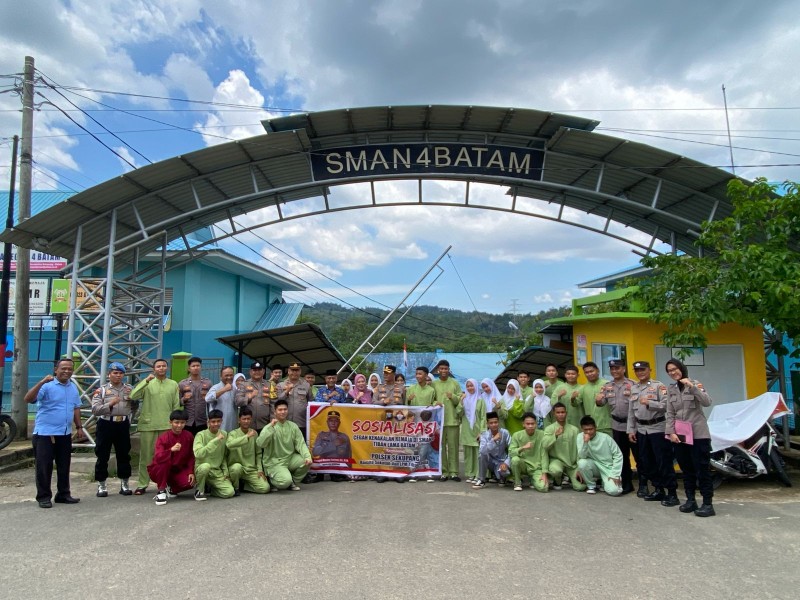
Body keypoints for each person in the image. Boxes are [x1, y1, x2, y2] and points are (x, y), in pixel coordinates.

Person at [25, 358, 83, 508]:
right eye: (63, 368)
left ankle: (63, 494)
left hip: (64, 433)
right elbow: (28, 398)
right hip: (45, 434)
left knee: (64, 465)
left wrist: (79, 426)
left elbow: (76, 407)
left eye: (70, 368)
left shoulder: (73, 388)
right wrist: (41, 382)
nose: (67, 371)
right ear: (56, 370)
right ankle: (43, 496)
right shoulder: (47, 386)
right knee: (44, 467)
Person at [665, 358, 715, 517]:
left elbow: (707, 402)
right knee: (686, 469)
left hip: (699, 434)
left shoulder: (695, 384)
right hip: (680, 435)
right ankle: (691, 500)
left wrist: (692, 387)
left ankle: (707, 504)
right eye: (670, 370)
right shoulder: (671, 389)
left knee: (702, 469)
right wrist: (670, 432)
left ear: (682, 368)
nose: (673, 372)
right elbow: (670, 413)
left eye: (675, 369)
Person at [628, 360, 677, 504]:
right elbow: (631, 412)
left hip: (657, 428)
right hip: (641, 430)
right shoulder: (634, 388)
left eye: (643, 370)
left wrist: (649, 403)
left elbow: (667, 405)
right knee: (646, 462)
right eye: (637, 371)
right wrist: (631, 430)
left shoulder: (658, 386)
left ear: (650, 370)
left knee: (663, 461)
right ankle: (658, 489)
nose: (640, 373)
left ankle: (672, 493)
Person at [130, 358, 181, 495]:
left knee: (168, 455)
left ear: (167, 368)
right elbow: (133, 395)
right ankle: (142, 484)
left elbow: (176, 405)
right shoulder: (148, 383)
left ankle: (167, 483)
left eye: (164, 366)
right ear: (154, 369)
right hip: (149, 425)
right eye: (158, 366)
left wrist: (175, 424)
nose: (161, 368)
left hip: (166, 425)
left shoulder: (173, 384)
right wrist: (145, 381)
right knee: (146, 456)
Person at [91, 361, 134, 497]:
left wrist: (129, 417)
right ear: (109, 374)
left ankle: (125, 484)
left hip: (122, 424)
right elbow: (95, 410)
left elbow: (134, 406)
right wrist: (110, 404)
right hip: (106, 424)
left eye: (121, 373)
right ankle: (102, 485)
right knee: (103, 454)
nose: (118, 376)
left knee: (124, 454)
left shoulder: (128, 389)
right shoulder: (102, 390)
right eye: (115, 373)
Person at [597, 359, 637, 495]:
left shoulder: (632, 385)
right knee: (622, 456)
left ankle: (644, 484)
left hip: (632, 426)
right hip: (617, 425)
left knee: (639, 456)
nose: (614, 371)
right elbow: (601, 403)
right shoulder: (608, 386)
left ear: (623, 369)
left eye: (617, 368)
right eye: (612, 369)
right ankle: (627, 483)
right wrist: (598, 399)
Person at [257, 398, 312, 491]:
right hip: (274, 462)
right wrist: (270, 428)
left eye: (285, 409)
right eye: (280, 410)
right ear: (275, 412)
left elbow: (301, 444)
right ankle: (273, 480)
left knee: (307, 461)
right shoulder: (269, 427)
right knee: (284, 482)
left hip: (289, 459)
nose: (283, 412)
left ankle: (292, 482)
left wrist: (307, 457)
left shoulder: (293, 426)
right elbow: (260, 443)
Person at [148, 410, 196, 506]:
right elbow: (158, 457)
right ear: (170, 422)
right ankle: (161, 490)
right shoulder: (163, 437)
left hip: (178, 470)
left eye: (182, 423)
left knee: (190, 483)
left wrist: (191, 471)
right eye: (176, 422)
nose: (179, 425)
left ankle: (171, 488)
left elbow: (191, 455)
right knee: (164, 461)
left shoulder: (189, 436)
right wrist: (170, 450)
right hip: (159, 470)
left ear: (186, 423)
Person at [193, 409, 235, 500]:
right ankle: (199, 490)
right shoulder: (200, 435)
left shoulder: (224, 434)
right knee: (205, 466)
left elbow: (223, 456)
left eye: (218, 421)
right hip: (202, 469)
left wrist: (225, 472)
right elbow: (198, 454)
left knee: (230, 492)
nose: (216, 424)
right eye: (213, 421)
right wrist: (216, 440)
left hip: (216, 471)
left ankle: (212, 489)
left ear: (222, 421)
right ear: (208, 422)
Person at [543, 403, 586, 491]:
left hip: (572, 464)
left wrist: (580, 468)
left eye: (562, 412)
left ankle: (572, 477)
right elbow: (544, 445)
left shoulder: (574, 430)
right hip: (557, 461)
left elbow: (579, 449)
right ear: (554, 414)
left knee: (581, 487)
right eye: (558, 412)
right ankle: (557, 480)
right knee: (556, 471)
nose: (561, 414)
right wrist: (554, 435)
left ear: (566, 413)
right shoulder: (549, 429)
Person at [226, 406, 269, 495]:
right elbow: (229, 444)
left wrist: (260, 469)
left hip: (250, 469)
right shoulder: (233, 433)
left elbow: (258, 454)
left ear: (251, 419)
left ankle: (244, 485)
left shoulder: (254, 433)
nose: (246, 421)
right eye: (244, 419)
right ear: (239, 420)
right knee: (236, 468)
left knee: (265, 488)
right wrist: (246, 437)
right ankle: (236, 487)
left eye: (248, 419)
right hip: (238, 468)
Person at [576, 415, 623, 496]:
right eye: (585, 430)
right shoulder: (580, 437)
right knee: (582, 463)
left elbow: (618, 454)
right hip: (593, 465)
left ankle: (603, 483)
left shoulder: (605, 437)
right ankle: (591, 486)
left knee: (615, 491)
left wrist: (615, 474)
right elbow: (582, 456)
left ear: (596, 427)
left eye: (591, 429)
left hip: (608, 467)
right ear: (581, 429)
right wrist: (585, 443)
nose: (588, 432)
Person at [432, 360, 462, 481]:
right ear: (438, 370)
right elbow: (431, 400)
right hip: (440, 421)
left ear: (449, 370)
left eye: (446, 369)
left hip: (453, 420)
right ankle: (444, 471)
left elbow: (460, 400)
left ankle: (454, 472)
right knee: (441, 447)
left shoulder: (455, 383)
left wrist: (453, 397)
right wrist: (435, 402)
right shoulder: (434, 384)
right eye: (441, 369)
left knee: (453, 447)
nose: (444, 371)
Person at [510, 412, 550, 492]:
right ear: (523, 424)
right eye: (528, 424)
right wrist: (523, 448)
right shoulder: (516, 435)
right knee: (515, 460)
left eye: (532, 423)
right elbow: (511, 452)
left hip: (536, 468)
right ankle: (517, 483)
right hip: (523, 465)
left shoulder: (542, 434)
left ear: (536, 424)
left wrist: (544, 473)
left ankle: (533, 479)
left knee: (544, 488)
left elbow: (544, 454)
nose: (530, 426)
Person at [456, 378, 486, 483]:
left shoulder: (480, 400)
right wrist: (460, 401)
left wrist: (482, 432)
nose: (470, 388)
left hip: (477, 430)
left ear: (476, 386)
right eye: (468, 386)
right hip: (466, 429)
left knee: (478, 453)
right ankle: (470, 474)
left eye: (471, 385)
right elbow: (458, 413)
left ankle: (478, 474)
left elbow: (483, 417)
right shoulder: (464, 400)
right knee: (468, 454)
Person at [471, 411, 511, 489]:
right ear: (487, 424)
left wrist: (506, 463)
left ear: (498, 422)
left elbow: (512, 448)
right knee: (482, 455)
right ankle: (481, 479)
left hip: (501, 461)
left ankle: (501, 477)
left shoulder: (505, 433)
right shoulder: (484, 435)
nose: (494, 425)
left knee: (505, 472)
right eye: (491, 423)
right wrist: (493, 440)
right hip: (490, 461)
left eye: (495, 422)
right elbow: (482, 451)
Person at [178, 356, 212, 436]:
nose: (196, 368)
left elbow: (211, 401)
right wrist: (184, 399)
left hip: (203, 420)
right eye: (193, 366)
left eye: (198, 366)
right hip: (188, 421)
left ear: (201, 367)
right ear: (189, 369)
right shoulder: (182, 383)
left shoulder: (208, 383)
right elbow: (177, 402)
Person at [234, 362, 272, 432]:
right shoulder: (243, 385)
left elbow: (273, 403)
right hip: (247, 424)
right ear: (250, 372)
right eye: (254, 370)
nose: (257, 372)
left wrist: (272, 419)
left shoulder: (269, 385)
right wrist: (249, 398)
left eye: (259, 370)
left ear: (263, 371)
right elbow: (238, 401)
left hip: (265, 424)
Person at [278, 362, 313, 433]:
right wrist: (287, 391)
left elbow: (311, 402)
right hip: (285, 422)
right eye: (292, 370)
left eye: (297, 370)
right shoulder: (280, 385)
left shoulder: (306, 385)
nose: (294, 372)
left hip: (301, 422)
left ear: (300, 371)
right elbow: (278, 401)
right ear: (288, 371)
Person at [579, 361, 610, 435]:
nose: (589, 374)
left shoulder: (607, 384)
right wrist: (573, 398)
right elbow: (575, 403)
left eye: (591, 371)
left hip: (607, 425)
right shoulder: (583, 388)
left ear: (598, 371)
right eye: (586, 372)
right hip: (591, 427)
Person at [205, 365, 239, 433]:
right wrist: (224, 389)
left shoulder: (234, 389)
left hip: (232, 424)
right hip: (219, 426)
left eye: (231, 375)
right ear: (221, 376)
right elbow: (207, 399)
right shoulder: (216, 387)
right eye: (226, 375)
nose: (229, 377)